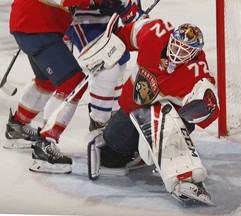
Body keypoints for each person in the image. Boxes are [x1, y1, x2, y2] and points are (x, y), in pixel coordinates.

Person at [87, 18, 219, 204]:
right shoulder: (154, 32)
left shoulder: (197, 71)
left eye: (185, 51)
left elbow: (207, 114)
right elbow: (127, 35)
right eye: (176, 46)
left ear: (195, 53)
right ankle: (138, 153)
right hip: (130, 109)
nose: (177, 53)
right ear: (171, 38)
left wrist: (205, 105)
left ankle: (184, 175)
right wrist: (108, 49)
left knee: (162, 111)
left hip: (168, 121)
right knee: (111, 155)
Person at [4, 0, 117, 174]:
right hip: (38, 25)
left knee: (46, 80)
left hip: (29, 22)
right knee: (74, 83)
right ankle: (45, 145)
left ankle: (17, 127)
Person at [65, 0, 143, 131]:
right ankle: (99, 121)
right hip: (81, 21)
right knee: (106, 68)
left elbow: (128, 10)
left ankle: (113, 114)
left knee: (119, 61)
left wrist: (139, 19)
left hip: (108, 21)